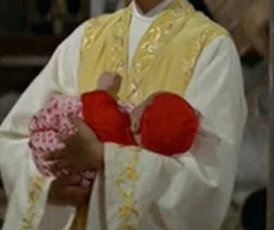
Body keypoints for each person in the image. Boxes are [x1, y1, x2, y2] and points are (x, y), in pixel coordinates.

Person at [0, 0, 247, 230]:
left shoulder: (210, 49)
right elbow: (15, 135)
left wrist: (101, 157)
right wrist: (48, 186)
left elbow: (206, 182)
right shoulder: (88, 38)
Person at [29, 72, 201, 186]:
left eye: (143, 104)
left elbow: (96, 106)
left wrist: (105, 90)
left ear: (136, 125)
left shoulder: (115, 123)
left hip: (53, 139)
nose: (135, 106)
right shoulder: (135, 157)